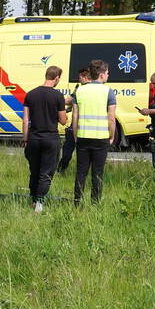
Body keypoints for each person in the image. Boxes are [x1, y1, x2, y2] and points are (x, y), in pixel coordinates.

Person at [23, 65, 70, 212]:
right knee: (46, 172)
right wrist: (64, 112)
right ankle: (39, 203)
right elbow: (63, 121)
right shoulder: (58, 96)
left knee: (34, 171)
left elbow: (25, 120)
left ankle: (32, 199)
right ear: (56, 78)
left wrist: (25, 140)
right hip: (51, 139)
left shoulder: (30, 94)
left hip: (34, 138)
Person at [72, 59, 116, 206]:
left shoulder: (80, 91)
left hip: (83, 137)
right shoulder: (108, 92)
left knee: (81, 172)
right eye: (108, 73)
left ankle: (77, 202)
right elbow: (111, 118)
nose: (108, 75)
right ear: (102, 75)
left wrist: (75, 135)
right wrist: (112, 135)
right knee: (98, 173)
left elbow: (75, 116)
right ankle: (95, 203)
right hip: (101, 138)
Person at [57, 68, 91, 174]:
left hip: (79, 126)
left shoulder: (82, 90)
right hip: (82, 126)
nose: (78, 79)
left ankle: (61, 170)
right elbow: (73, 104)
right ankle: (62, 170)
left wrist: (56, 100)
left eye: (80, 77)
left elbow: (70, 100)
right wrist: (67, 109)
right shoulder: (82, 88)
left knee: (68, 151)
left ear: (85, 77)